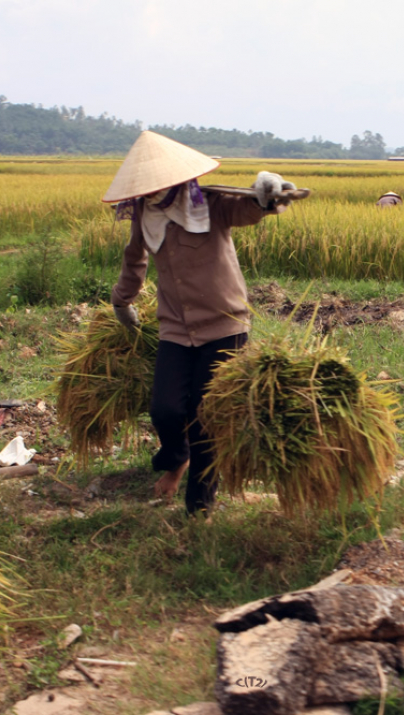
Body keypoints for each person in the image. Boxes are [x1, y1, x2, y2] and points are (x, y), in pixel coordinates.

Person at [103, 131, 293, 515]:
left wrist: (266, 195)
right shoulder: (145, 214)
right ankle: (177, 457)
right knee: (166, 409)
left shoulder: (211, 204)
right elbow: (134, 258)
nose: (154, 191)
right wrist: (122, 301)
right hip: (175, 326)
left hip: (225, 326)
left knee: (207, 416)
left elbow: (251, 211)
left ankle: (199, 505)